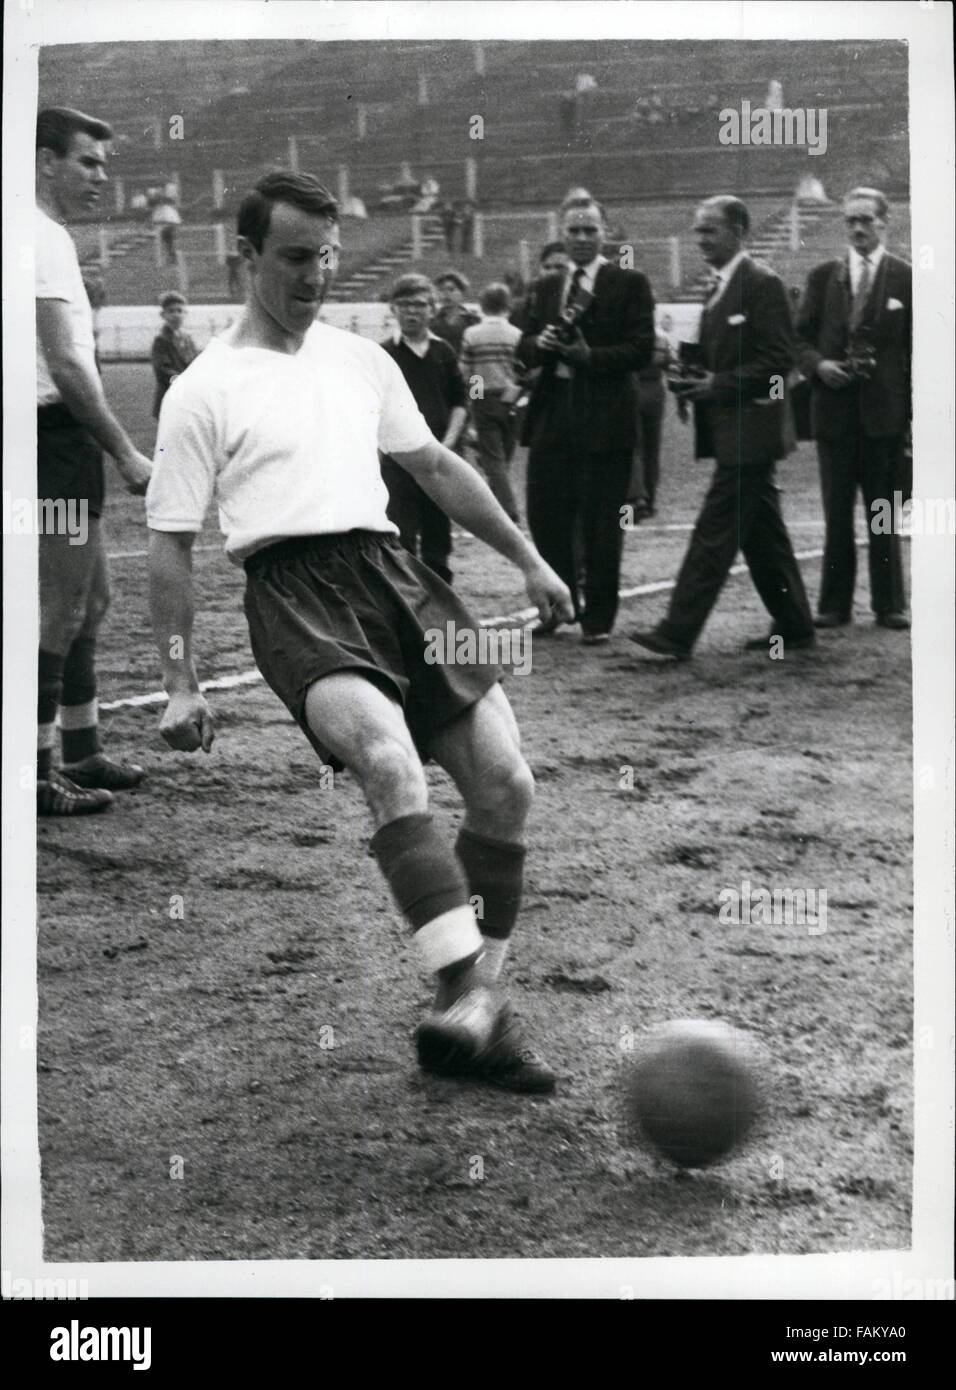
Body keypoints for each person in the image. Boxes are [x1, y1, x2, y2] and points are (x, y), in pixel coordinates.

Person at [146, 172, 573, 1092]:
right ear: (247, 257)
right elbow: (170, 543)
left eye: (328, 256)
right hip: (295, 593)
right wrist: (180, 680)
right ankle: (467, 994)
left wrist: (530, 558)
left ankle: (473, 1010)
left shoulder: (358, 359)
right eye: (296, 257)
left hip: (395, 579)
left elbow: (436, 467)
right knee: (389, 764)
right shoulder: (202, 389)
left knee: (506, 784)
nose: (317, 275)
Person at [630, 196, 815, 660]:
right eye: (697, 230)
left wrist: (717, 384)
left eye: (709, 230)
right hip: (735, 429)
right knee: (761, 531)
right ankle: (794, 624)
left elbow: (778, 362)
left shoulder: (761, 283)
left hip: (753, 431)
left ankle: (677, 631)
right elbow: (725, 353)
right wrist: (690, 373)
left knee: (716, 530)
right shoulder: (720, 285)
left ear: (738, 231)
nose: (700, 239)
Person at [35, 107, 153, 815]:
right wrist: (126, 449)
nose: (100, 178)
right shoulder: (39, 238)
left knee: (93, 600)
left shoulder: (48, 238)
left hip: (65, 441)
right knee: (59, 606)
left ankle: (82, 752)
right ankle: (36, 774)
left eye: (105, 165)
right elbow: (64, 363)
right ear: (46, 161)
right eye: (88, 162)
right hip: (52, 439)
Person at [515, 198, 655, 642]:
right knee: (546, 515)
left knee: (601, 521)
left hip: (605, 412)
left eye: (589, 230)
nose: (580, 238)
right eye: (573, 230)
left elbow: (642, 349)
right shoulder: (544, 287)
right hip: (553, 409)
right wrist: (542, 341)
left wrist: (588, 356)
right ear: (561, 232)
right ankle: (557, 608)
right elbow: (523, 348)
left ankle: (598, 619)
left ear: (604, 233)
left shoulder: (629, 283)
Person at [795, 187, 912, 631]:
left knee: (883, 511)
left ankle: (889, 604)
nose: (859, 228)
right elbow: (798, 338)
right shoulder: (824, 275)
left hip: (886, 415)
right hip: (834, 415)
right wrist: (819, 365)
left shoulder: (905, 276)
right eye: (851, 221)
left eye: (867, 220)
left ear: (885, 222)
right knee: (837, 513)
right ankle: (834, 605)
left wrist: (913, 418)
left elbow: (920, 350)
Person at [379, 273, 468, 585]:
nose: (412, 312)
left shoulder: (444, 352)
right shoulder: (382, 354)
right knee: (399, 533)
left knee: (437, 537)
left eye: (419, 305)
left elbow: (461, 400)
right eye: (404, 305)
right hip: (397, 462)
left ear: (433, 309)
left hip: (437, 461)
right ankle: (405, 608)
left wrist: (448, 443)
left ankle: (440, 606)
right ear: (393, 309)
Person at [459, 282, 523, 523]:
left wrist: (473, 400)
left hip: (483, 397)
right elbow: (521, 372)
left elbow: (466, 372)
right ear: (507, 306)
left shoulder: (472, 334)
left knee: (494, 459)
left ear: (483, 306)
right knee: (503, 456)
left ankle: (507, 509)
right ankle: (500, 506)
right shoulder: (517, 335)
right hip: (511, 397)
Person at [627, 322, 672, 519]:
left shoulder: (630, 332)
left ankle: (636, 500)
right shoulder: (661, 336)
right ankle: (650, 502)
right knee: (652, 449)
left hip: (634, 388)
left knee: (633, 447)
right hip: (655, 391)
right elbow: (670, 363)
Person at [150, 291, 200, 418]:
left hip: (188, 396)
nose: (176, 315)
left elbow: (195, 363)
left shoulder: (188, 338)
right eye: (171, 311)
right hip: (170, 394)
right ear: (163, 315)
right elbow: (162, 370)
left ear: (185, 314)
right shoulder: (161, 340)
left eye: (179, 311)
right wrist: (180, 381)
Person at [431, 270, 481, 355]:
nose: (446, 294)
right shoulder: (432, 321)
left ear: (462, 292)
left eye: (451, 289)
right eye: (441, 290)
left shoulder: (473, 321)